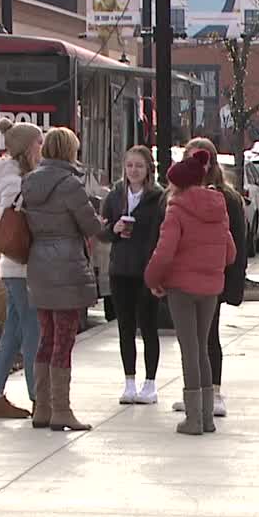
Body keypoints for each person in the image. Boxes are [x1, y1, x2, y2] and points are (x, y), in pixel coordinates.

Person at [145, 150, 237, 435]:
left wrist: (152, 278)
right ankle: (207, 417)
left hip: (181, 288)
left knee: (189, 350)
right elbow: (230, 252)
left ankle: (193, 419)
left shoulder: (177, 209)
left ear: (178, 184)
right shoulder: (218, 205)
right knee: (203, 349)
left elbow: (164, 252)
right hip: (210, 288)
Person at [23, 127, 101, 432]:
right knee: (64, 340)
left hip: (39, 264)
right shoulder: (69, 184)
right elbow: (90, 224)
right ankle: (62, 410)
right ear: (70, 150)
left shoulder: (29, 182)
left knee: (46, 336)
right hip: (67, 265)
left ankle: (41, 408)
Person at [170, 137, 247, 418]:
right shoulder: (177, 196)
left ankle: (212, 391)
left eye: (200, 159)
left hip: (213, 278)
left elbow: (236, 244)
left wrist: (234, 282)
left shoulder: (226, 198)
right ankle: (195, 393)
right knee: (191, 341)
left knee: (207, 337)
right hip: (186, 277)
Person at [0, 118, 44, 419]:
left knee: (14, 331)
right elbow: (21, 219)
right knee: (33, 331)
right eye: (38, 143)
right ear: (27, 148)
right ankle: (38, 398)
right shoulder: (17, 182)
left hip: (11, 266)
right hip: (21, 266)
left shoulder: (8, 176)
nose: (42, 148)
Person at [100, 145, 166, 404]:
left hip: (146, 269)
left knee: (148, 326)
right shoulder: (115, 196)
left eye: (139, 166)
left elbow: (163, 233)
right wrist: (114, 229)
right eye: (130, 166)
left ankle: (150, 383)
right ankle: (129, 381)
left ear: (149, 168)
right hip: (121, 269)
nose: (134, 171)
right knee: (125, 327)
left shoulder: (158, 197)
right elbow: (102, 231)